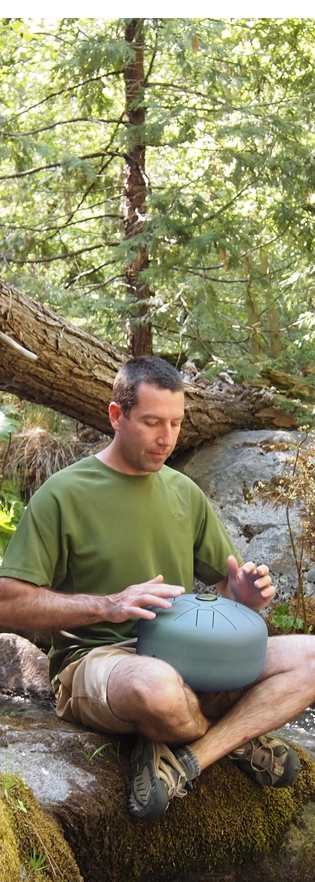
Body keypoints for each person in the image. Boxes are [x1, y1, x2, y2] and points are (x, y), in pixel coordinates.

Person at [0, 355, 314, 824]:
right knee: (159, 689)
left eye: (175, 422)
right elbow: (8, 600)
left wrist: (244, 600)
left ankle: (191, 756)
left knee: (310, 656)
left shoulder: (184, 493)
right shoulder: (64, 494)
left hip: (187, 653)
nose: (167, 438)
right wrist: (107, 605)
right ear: (115, 415)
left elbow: (223, 592)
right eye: (151, 422)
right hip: (102, 661)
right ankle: (234, 735)